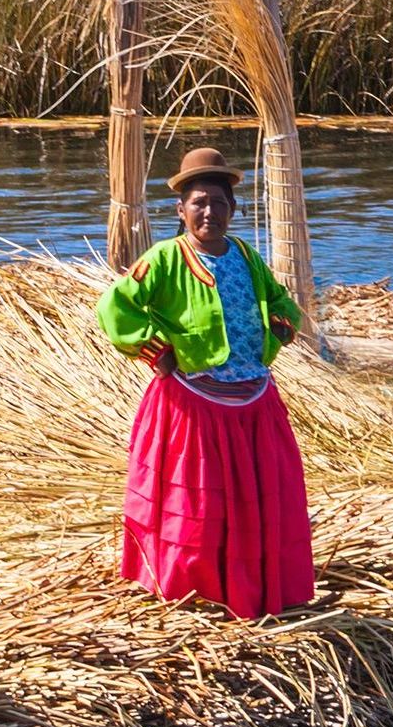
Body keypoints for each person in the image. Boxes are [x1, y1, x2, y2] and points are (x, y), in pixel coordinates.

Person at [99, 147, 317, 619]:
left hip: (253, 398)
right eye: (199, 202)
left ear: (232, 210)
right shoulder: (164, 260)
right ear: (181, 210)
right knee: (197, 503)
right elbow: (115, 308)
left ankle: (253, 584)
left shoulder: (245, 255)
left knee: (258, 499)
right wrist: (156, 349)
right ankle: (192, 586)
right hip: (194, 402)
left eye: (219, 203)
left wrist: (280, 325)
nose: (209, 212)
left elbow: (281, 299)